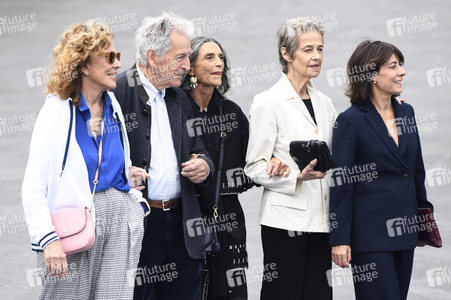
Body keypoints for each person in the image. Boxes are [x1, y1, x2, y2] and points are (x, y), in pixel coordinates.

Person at [22, 23, 149, 299]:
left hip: (118, 221)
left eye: (118, 56)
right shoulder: (56, 110)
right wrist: (48, 240)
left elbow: (103, 159)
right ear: (84, 66)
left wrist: (126, 174)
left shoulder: (112, 105)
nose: (118, 64)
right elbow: (34, 183)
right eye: (109, 57)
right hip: (75, 224)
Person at [113, 13, 214, 300]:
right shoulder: (118, 92)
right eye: (181, 56)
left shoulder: (179, 98)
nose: (187, 65)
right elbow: (94, 160)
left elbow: (202, 150)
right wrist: (124, 173)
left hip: (183, 226)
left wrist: (204, 166)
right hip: (140, 225)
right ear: (152, 56)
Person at [180, 36, 289, 300]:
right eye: (209, 57)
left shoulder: (231, 112)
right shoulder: (176, 109)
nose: (219, 63)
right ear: (191, 68)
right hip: (184, 217)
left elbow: (252, 166)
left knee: (232, 294)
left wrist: (272, 163)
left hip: (227, 220)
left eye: (221, 57)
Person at [329, 40, 434, 300]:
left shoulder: (407, 112)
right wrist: (340, 239)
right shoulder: (350, 120)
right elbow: (342, 182)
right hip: (370, 236)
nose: (402, 72)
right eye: (393, 66)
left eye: (401, 65)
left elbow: (416, 171)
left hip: (406, 230)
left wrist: (422, 220)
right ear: (371, 75)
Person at [244, 17, 337, 300]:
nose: (317, 56)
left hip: (321, 223)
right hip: (284, 223)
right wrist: (295, 176)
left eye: (320, 49)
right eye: (308, 49)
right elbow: (254, 167)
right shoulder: (267, 102)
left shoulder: (326, 104)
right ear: (286, 53)